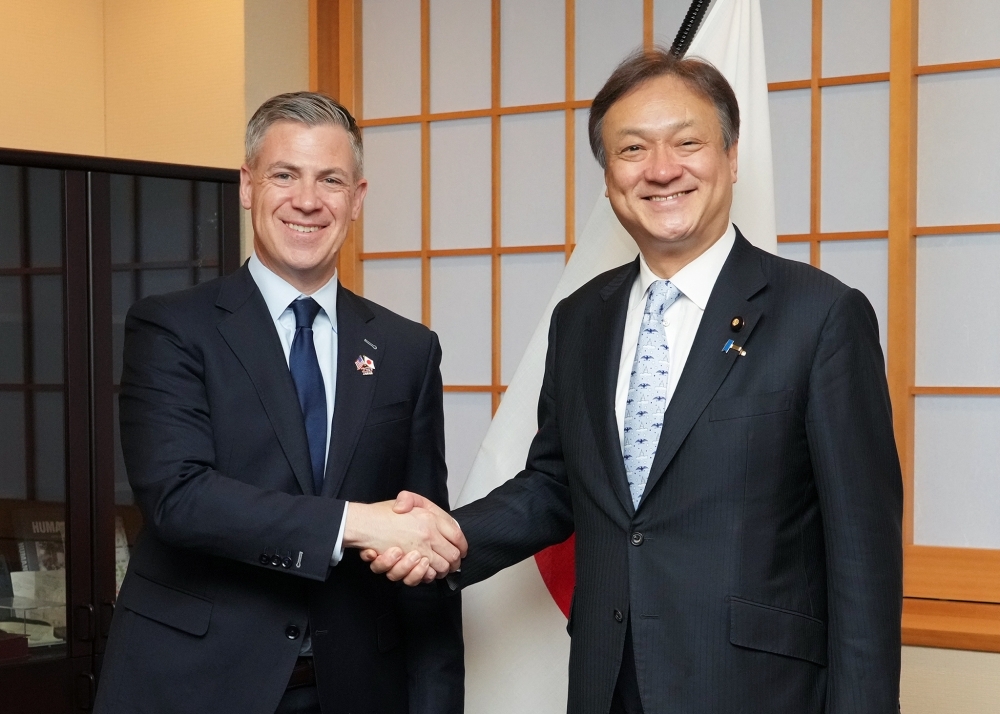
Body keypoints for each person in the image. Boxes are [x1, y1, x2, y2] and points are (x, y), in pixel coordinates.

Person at [368, 49, 903, 714]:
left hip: (758, 691)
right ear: (608, 178)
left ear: (732, 159)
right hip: (608, 680)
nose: (661, 170)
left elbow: (863, 555)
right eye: (632, 149)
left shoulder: (820, 316)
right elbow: (558, 483)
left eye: (687, 142)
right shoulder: (581, 319)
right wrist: (447, 537)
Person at [94, 92, 467, 714]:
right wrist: (354, 522)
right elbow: (180, 498)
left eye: (331, 180)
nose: (307, 200)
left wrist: (437, 701)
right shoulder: (171, 328)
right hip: (195, 683)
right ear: (247, 186)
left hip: (356, 687)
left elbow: (418, 545)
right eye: (284, 175)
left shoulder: (406, 348)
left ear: (358, 198)